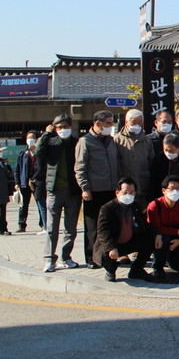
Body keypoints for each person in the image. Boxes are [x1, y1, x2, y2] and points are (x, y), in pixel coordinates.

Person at [75, 110, 121, 268]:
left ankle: (107, 255)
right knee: (93, 226)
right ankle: (91, 258)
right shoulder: (85, 141)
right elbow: (80, 167)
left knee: (108, 225)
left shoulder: (111, 141)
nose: (110, 126)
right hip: (94, 191)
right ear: (97, 124)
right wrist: (85, 188)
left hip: (111, 189)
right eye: (108, 123)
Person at [37, 114, 82, 272]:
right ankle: (49, 259)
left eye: (66, 126)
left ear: (71, 126)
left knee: (70, 228)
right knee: (51, 227)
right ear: (55, 129)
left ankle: (66, 257)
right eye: (59, 127)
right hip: (54, 190)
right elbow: (38, 152)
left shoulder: (77, 143)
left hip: (73, 190)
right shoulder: (51, 142)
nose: (63, 130)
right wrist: (46, 134)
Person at [93, 178, 154, 282]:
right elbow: (103, 231)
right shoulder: (107, 208)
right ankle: (111, 270)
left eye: (131, 192)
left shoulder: (135, 206)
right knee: (105, 253)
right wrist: (111, 247)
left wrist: (157, 235)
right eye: (125, 192)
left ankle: (137, 270)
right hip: (114, 243)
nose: (128, 195)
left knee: (149, 240)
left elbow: (145, 224)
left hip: (129, 241)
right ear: (117, 193)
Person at [147, 176, 179, 279]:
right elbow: (156, 228)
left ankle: (173, 261)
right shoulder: (154, 205)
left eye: (178, 188)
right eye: (172, 188)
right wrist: (178, 232)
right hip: (159, 235)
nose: (175, 191)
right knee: (163, 239)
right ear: (164, 190)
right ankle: (157, 267)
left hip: (176, 236)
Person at [113, 109, 154, 209]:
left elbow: (152, 161)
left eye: (140, 123)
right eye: (134, 122)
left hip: (143, 185)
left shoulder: (147, 140)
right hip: (125, 187)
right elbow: (115, 163)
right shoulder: (118, 139)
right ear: (126, 122)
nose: (137, 125)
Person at [13, 130, 42, 232]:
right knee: (23, 205)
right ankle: (22, 225)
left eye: (32, 138)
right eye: (28, 138)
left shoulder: (40, 152)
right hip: (24, 183)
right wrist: (17, 182)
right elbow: (17, 169)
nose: (30, 140)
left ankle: (42, 224)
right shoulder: (22, 153)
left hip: (36, 182)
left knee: (40, 204)